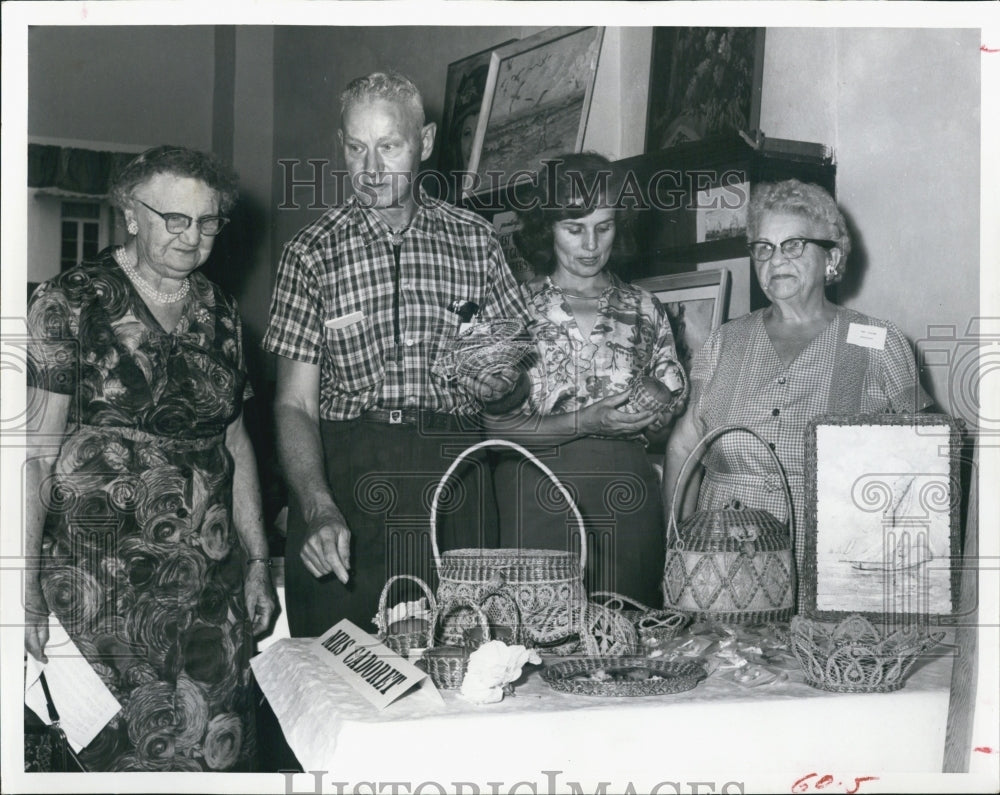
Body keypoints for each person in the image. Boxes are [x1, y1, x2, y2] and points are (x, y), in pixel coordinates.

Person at [24, 145, 276, 771]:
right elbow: (35, 455)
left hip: (208, 594)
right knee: (108, 760)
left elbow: (237, 442)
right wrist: (21, 585)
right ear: (131, 215)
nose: (193, 238)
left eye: (208, 222)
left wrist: (258, 561)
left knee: (212, 756)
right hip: (95, 591)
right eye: (175, 219)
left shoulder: (220, 313)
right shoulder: (70, 302)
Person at [263, 71, 529, 637]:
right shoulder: (310, 254)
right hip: (347, 479)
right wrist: (316, 506)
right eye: (357, 148)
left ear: (426, 142)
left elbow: (515, 384)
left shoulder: (476, 241)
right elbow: (294, 405)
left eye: (390, 146)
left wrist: (500, 383)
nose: (372, 169)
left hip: (454, 474)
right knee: (340, 671)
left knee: (465, 666)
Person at [663, 179, 933, 574]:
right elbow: (682, 448)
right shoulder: (725, 340)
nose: (776, 261)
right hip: (720, 569)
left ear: (832, 258)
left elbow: (926, 458)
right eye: (764, 248)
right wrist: (676, 552)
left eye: (793, 245)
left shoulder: (879, 342)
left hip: (832, 566)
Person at [486, 152, 688, 606]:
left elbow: (669, 416)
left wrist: (654, 414)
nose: (591, 244)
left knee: (629, 646)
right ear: (545, 228)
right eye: (573, 228)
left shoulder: (644, 308)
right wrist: (585, 421)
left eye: (604, 226)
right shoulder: (512, 310)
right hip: (535, 494)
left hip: (626, 501)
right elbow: (489, 431)